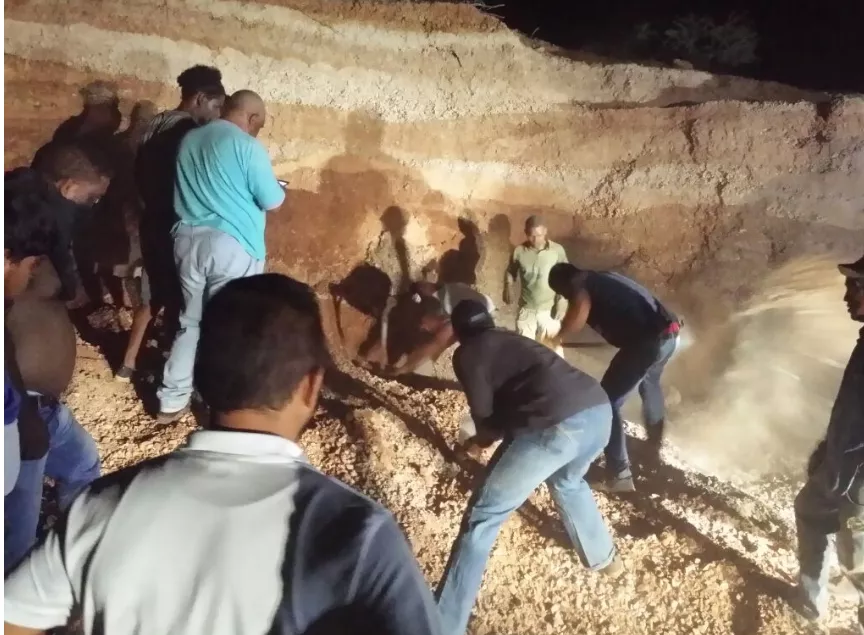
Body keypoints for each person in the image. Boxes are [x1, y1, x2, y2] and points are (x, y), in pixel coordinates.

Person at [4, 273, 443, 635]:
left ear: (200, 374)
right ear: (311, 386)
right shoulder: (357, 535)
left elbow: (13, 618)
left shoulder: (103, 505)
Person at [436, 300, 620, 635]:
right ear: (489, 320)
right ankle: (604, 558)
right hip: (598, 412)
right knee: (568, 481)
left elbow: (487, 423)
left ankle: (443, 625)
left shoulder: (468, 353)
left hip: (555, 425)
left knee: (483, 515)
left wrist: (474, 442)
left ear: (457, 330)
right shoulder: (511, 340)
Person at [155, 90, 285, 423]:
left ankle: (171, 401)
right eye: (260, 124)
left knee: (190, 321)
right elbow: (271, 200)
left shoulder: (189, 139)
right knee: (228, 327)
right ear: (252, 118)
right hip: (232, 244)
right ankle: (221, 404)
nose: (258, 131)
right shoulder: (248, 146)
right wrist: (280, 187)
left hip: (187, 239)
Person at [116, 66, 226, 382]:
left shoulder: (156, 123)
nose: (216, 114)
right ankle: (170, 367)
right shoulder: (189, 133)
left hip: (149, 216)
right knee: (181, 299)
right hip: (175, 223)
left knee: (153, 296)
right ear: (201, 99)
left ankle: (128, 363)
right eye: (215, 106)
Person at [548, 263, 681, 493]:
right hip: (668, 333)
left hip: (648, 341)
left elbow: (579, 312)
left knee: (607, 401)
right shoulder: (603, 276)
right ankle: (653, 449)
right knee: (650, 385)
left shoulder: (579, 283)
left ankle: (619, 474)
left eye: (562, 294)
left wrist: (557, 338)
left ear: (563, 284)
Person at [4, 269, 101, 573]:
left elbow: (70, 288)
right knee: (17, 543)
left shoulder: (32, 245)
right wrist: (23, 416)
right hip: (19, 422)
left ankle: (72, 550)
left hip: (47, 412)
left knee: (83, 465)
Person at [793, 255, 864, 631]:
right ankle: (809, 604)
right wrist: (828, 448)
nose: (846, 294)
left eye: (856, 285)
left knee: (860, 567)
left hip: (858, 482)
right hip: (842, 469)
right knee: (808, 509)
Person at [5, 143, 112, 307]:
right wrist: (69, 288)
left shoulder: (22, 180)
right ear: (69, 187)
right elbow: (60, 251)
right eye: (91, 197)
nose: (92, 202)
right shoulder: (57, 213)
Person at [386, 280, 496, 376]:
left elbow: (432, 348)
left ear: (441, 319)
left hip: (481, 322)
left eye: (424, 325)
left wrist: (402, 370)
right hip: (474, 302)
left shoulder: (452, 325)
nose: (423, 327)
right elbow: (422, 285)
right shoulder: (445, 291)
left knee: (441, 342)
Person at [503, 215, 569, 356]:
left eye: (539, 235)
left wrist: (562, 301)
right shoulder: (519, 252)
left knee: (555, 352)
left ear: (545, 231)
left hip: (549, 310)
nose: (535, 240)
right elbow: (510, 272)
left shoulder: (557, 251)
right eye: (531, 236)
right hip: (527, 310)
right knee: (525, 351)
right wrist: (508, 286)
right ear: (526, 233)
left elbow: (567, 277)